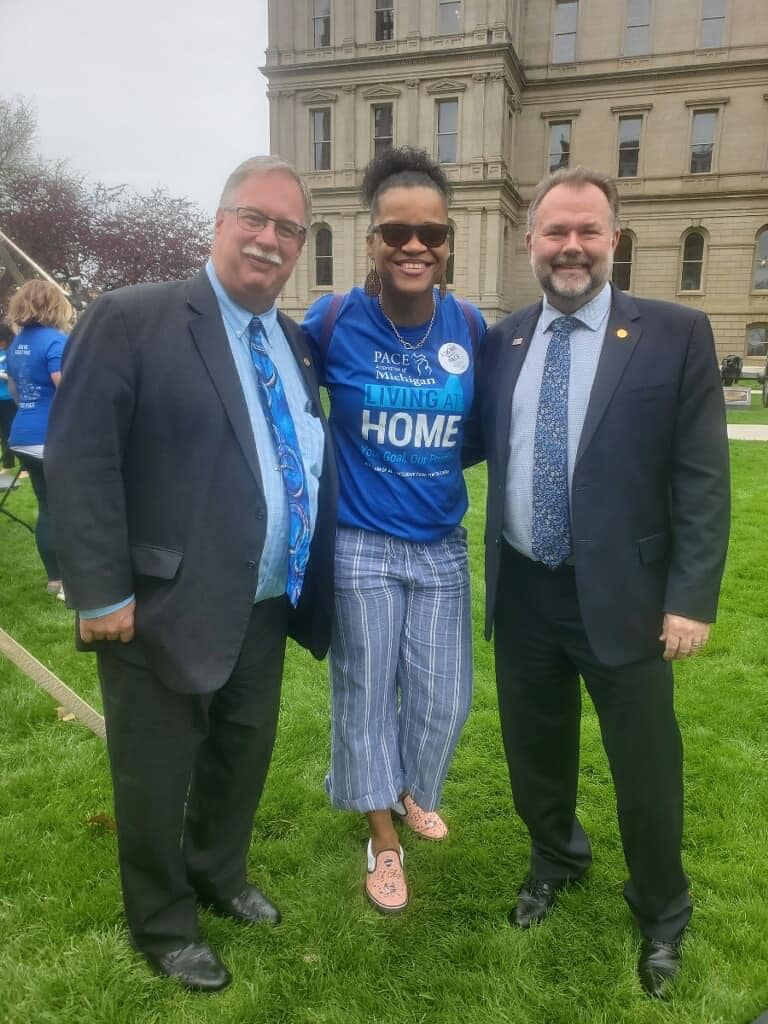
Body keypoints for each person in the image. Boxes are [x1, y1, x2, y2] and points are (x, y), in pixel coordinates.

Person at [45, 156, 338, 992]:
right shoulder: (131, 318)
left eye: (287, 228)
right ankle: (163, 923)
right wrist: (100, 591)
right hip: (157, 604)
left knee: (241, 758)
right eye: (254, 218)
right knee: (154, 773)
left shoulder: (291, 341)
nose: (268, 238)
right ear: (218, 224)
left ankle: (219, 871)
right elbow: (81, 459)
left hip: (264, 600)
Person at [475, 166, 729, 997]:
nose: (572, 246)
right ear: (530, 242)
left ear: (613, 240)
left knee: (646, 768)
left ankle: (662, 908)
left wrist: (690, 597)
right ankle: (557, 859)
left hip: (626, 596)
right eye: (556, 232)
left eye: (588, 231)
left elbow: (702, 477)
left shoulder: (674, 333)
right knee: (533, 756)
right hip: (526, 594)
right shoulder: (504, 338)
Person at [302, 146, 485, 914]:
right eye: (397, 232)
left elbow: (478, 429)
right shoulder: (333, 319)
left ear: (449, 242)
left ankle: (408, 787)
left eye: (432, 234)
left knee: (446, 699)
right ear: (370, 238)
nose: (415, 247)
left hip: (442, 542)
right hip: (361, 545)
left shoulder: (470, 325)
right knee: (367, 696)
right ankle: (383, 840)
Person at [5, 281, 71, 594]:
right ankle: (70, 581)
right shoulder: (56, 342)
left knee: (47, 506)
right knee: (71, 506)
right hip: (51, 437)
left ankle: (54, 579)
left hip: (22, 433)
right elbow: (66, 387)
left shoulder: (17, 345)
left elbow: (17, 394)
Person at [0, 322, 18, 471]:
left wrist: (1, 375)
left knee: (12, 430)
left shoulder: (12, 352)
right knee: (3, 433)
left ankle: (24, 467)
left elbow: (15, 375)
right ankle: (8, 464)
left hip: (9, 398)